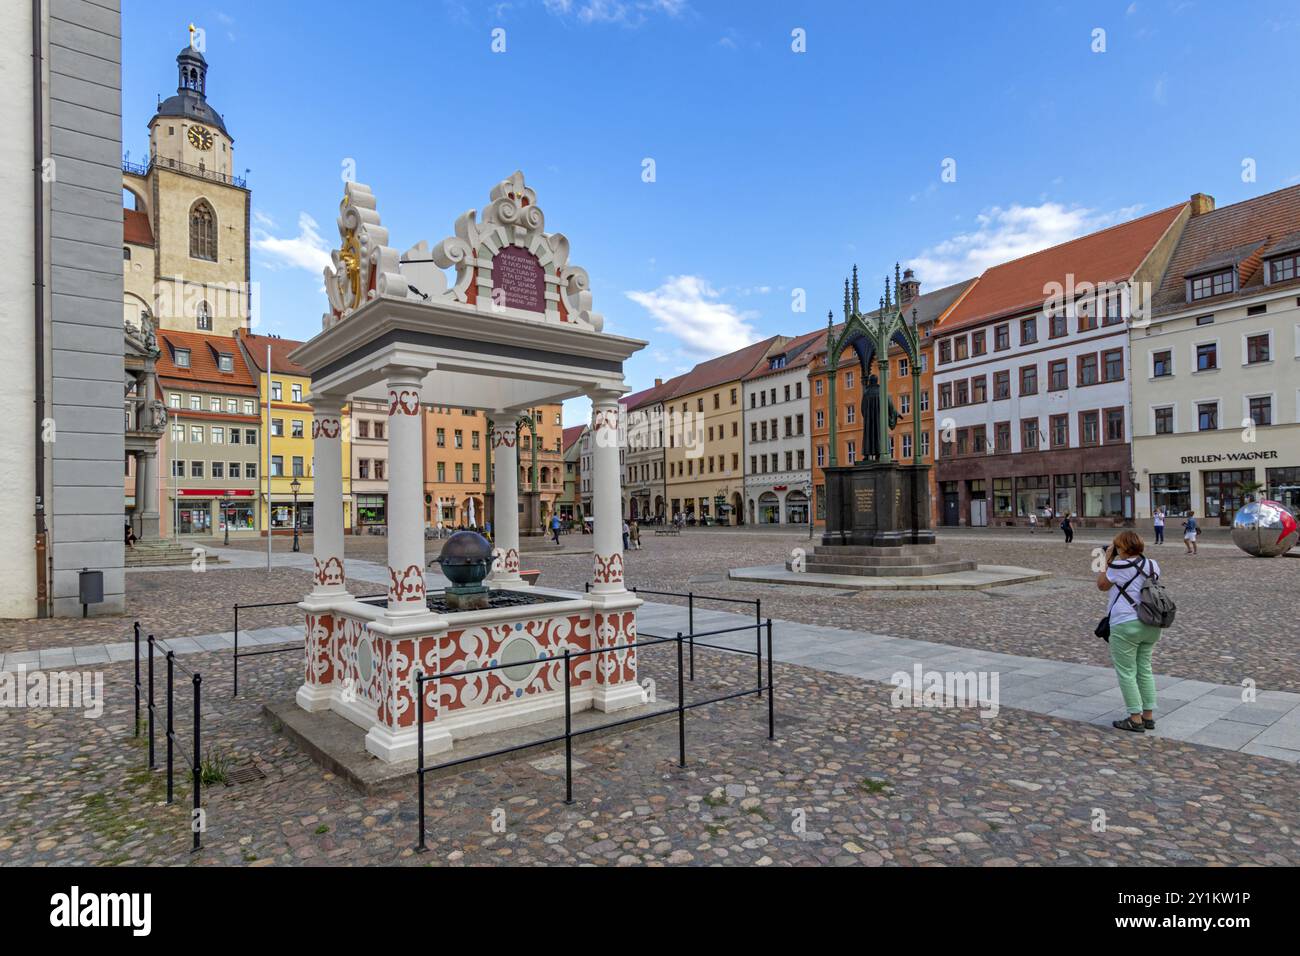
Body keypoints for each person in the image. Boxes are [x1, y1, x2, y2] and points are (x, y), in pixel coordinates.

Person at [1097, 530, 1163, 733]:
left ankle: (1135, 718)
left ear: (1123, 548)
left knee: (1126, 672)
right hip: (1151, 622)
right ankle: (1148, 716)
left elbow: (1102, 585)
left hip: (1125, 623)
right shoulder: (1153, 564)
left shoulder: (1117, 565)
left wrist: (1106, 558)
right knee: (1144, 668)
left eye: (1117, 546)